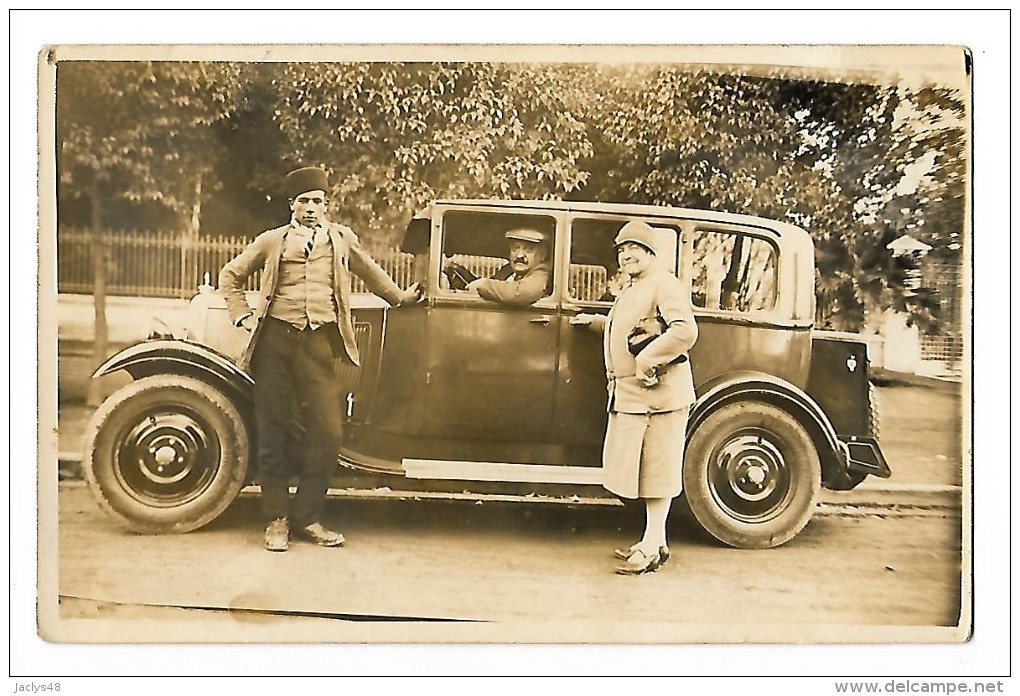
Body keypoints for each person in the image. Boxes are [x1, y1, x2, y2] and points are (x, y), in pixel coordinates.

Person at [219, 166, 421, 552]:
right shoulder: (272, 240)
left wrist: (399, 298)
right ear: (291, 205)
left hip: (318, 345)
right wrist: (242, 314)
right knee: (273, 431)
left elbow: (371, 271)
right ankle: (276, 520)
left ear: (327, 204)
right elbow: (231, 276)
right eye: (304, 201)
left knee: (328, 433)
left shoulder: (341, 239)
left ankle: (307, 516)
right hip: (275, 343)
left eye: (318, 201)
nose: (311, 208)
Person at [571, 220, 698, 575]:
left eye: (634, 248)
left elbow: (685, 331)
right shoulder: (636, 286)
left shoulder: (664, 283)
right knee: (643, 471)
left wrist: (647, 359)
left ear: (651, 252)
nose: (626, 255)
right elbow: (633, 325)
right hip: (634, 395)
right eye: (622, 250)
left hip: (659, 396)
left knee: (657, 471)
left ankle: (652, 545)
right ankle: (654, 541)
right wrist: (597, 321)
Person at [444, 228, 551, 306]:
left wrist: (483, 284)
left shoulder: (543, 271)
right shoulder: (508, 270)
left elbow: (520, 293)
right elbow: (494, 284)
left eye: (528, 250)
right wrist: (460, 272)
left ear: (543, 255)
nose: (519, 255)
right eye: (515, 248)